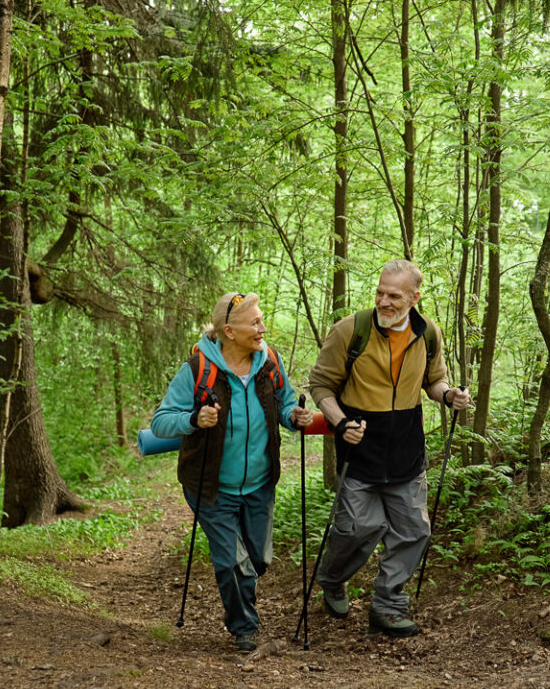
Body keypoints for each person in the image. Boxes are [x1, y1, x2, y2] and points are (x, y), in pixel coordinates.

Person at [308, 260, 471, 637]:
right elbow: (321, 386)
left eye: (394, 296)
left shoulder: (427, 332)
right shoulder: (351, 330)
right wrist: (340, 421)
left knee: (414, 530)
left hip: (406, 449)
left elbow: (434, 380)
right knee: (357, 529)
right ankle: (332, 578)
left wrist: (448, 396)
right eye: (380, 292)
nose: (384, 301)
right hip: (359, 447)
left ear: (415, 298)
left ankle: (388, 604)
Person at [151, 292, 312, 653]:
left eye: (262, 319)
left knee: (257, 560)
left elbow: (286, 404)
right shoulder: (198, 369)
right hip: (210, 486)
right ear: (229, 330)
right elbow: (161, 422)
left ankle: (241, 607)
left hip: (258, 483)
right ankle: (244, 628)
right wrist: (194, 419)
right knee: (232, 562)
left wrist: (294, 417)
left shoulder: (269, 361)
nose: (262, 328)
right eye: (254, 322)